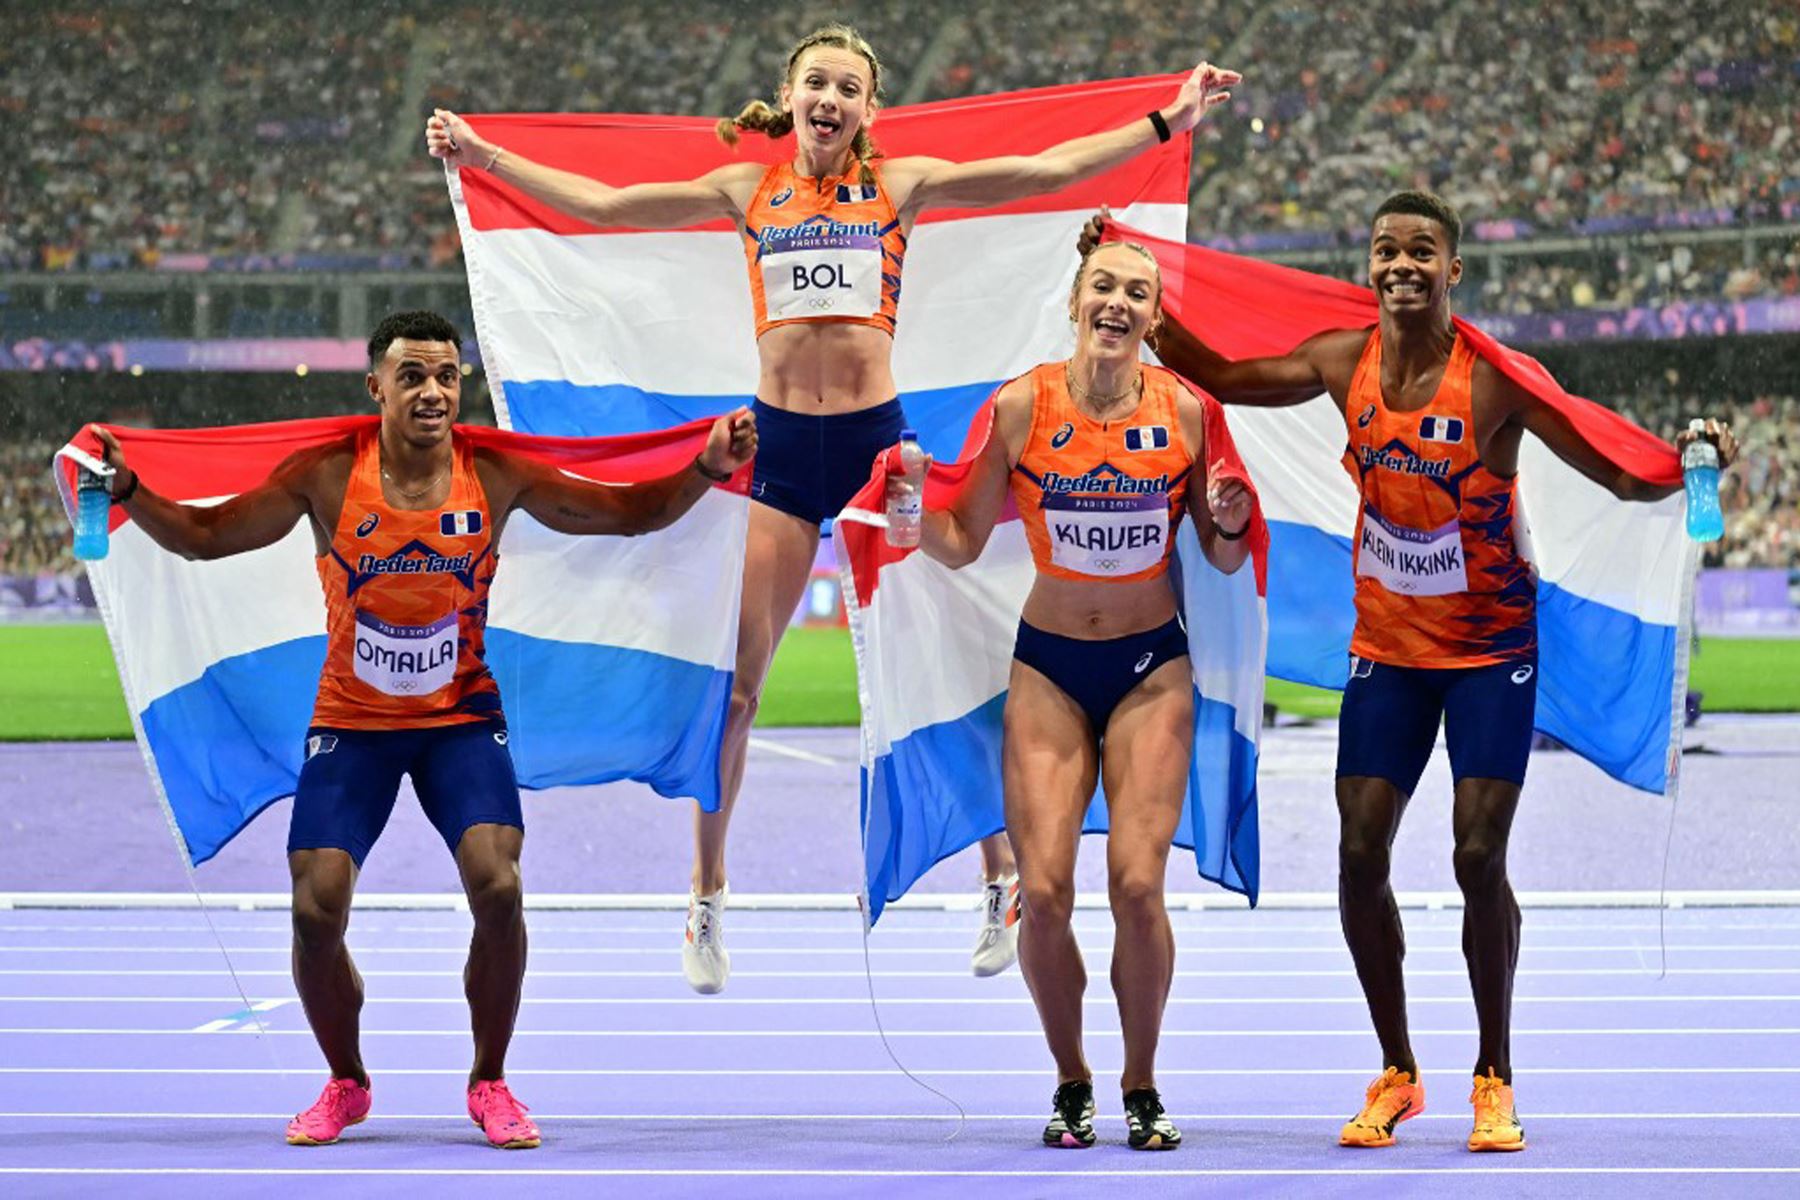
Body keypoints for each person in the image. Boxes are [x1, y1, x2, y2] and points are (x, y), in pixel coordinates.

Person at [426, 24, 1239, 991]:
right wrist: (485, 158)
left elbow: (1044, 169)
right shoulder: (747, 192)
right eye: (817, 82)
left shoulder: (901, 188)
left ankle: (1000, 878)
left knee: (937, 666)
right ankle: (707, 898)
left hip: (872, 449)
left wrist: (1164, 120)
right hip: (779, 450)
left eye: (849, 88)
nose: (830, 98)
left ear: (867, 109)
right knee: (737, 685)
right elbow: (603, 205)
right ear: (792, 94)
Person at [1082, 193, 1738, 1152]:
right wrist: (1132, 285)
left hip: (1487, 654)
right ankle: (1397, 1068)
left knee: (1478, 856)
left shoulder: (1494, 383)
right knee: (1358, 856)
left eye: (1420, 251)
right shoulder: (1343, 359)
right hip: (1388, 649)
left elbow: (1612, 468)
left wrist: (1696, 459)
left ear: (1453, 269)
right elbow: (1218, 372)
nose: (1400, 265)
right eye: (1386, 250)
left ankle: (1495, 1074)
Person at [91, 311, 757, 1149]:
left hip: (461, 721)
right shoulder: (328, 475)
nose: (434, 391)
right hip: (353, 723)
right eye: (413, 376)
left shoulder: (498, 473)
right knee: (313, 911)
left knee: (500, 888)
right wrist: (127, 492)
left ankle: (490, 1081)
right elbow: (203, 539)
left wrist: (705, 467)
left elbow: (625, 514)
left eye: (447, 375)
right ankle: (346, 1080)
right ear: (376, 388)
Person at [914, 241, 1255, 1149]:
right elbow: (960, 536)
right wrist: (911, 515)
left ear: (1152, 319)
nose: (1118, 303)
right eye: (1104, 286)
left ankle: (1142, 1083)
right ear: (1076, 301)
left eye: (1137, 294)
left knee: (1139, 884)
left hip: (1151, 667)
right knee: (1048, 890)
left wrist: (1226, 523)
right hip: (1050, 669)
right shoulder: (1024, 404)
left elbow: (1223, 555)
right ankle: (1072, 1080)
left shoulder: (1186, 412)